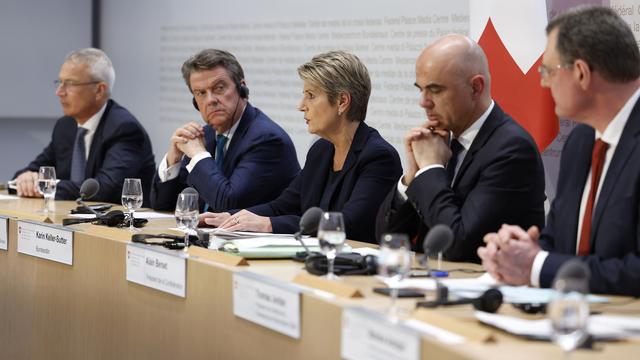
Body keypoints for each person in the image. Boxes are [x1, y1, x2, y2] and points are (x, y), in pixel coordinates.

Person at [479, 6, 640, 296]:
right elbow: (559, 242)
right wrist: (522, 252)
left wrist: (539, 265)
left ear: (581, 73)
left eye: (548, 70)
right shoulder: (580, 142)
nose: (542, 82)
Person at [376, 35, 546, 262]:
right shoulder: (440, 141)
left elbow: (457, 244)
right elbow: (386, 238)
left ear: (475, 88)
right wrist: (411, 176)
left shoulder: (511, 149)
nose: (423, 102)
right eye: (421, 90)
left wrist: (430, 169)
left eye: (435, 90)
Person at [201, 50, 402, 243]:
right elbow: (283, 206)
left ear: (342, 101)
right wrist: (228, 217)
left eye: (311, 95)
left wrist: (268, 225)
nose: (301, 105)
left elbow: (348, 224)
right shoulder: (321, 151)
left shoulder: (379, 157)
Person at [150, 49, 300, 212]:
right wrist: (174, 160)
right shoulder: (205, 135)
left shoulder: (266, 139)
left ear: (242, 90)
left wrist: (199, 155)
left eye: (219, 88)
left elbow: (229, 203)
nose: (210, 100)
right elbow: (161, 204)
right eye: (200, 93)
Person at [13, 48, 155, 205]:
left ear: (99, 91)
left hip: (118, 225)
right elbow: (32, 170)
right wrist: (25, 179)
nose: (59, 92)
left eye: (70, 84)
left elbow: (105, 188)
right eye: (59, 83)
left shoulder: (124, 129)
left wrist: (44, 186)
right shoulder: (65, 126)